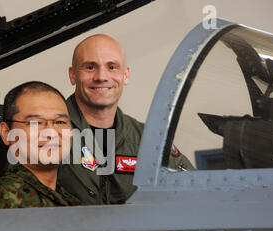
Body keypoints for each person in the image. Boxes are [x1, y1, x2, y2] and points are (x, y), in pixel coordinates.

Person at [58, 34, 194, 205]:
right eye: (90, 67)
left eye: (112, 67)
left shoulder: (148, 139)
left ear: (126, 75)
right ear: (73, 75)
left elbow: (194, 189)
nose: (101, 76)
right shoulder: (46, 133)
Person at [0, 81, 81, 209]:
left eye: (60, 122)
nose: (51, 133)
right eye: (35, 123)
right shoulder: (7, 195)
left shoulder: (68, 199)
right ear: (6, 133)